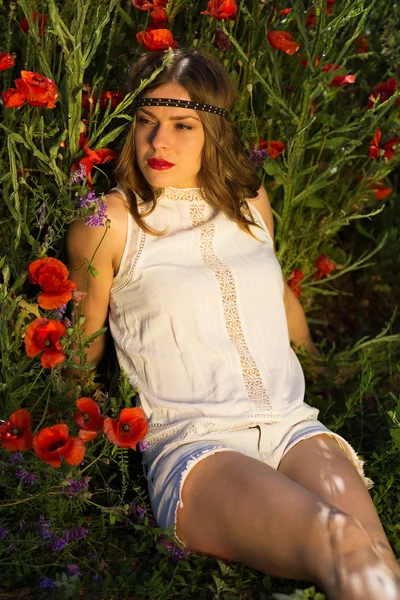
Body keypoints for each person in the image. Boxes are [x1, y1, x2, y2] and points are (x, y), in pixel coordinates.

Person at [67, 48, 400, 600]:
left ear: (215, 131)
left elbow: (280, 294)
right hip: (199, 447)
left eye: (182, 125)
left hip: (293, 425)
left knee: (375, 554)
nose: (159, 143)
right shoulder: (109, 223)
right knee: (339, 541)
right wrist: (71, 443)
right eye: (145, 121)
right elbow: (85, 343)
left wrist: (322, 370)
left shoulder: (249, 200)